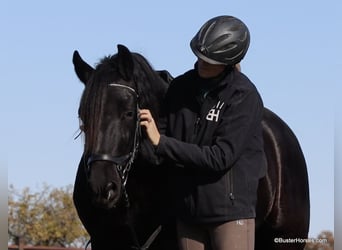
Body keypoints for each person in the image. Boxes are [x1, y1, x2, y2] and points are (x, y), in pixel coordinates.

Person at [140, 15, 267, 250]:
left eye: (211, 60)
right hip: (187, 213)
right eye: (200, 56)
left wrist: (161, 142)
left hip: (229, 214)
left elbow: (221, 157)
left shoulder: (244, 95)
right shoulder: (179, 88)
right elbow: (158, 150)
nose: (202, 63)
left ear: (228, 62)